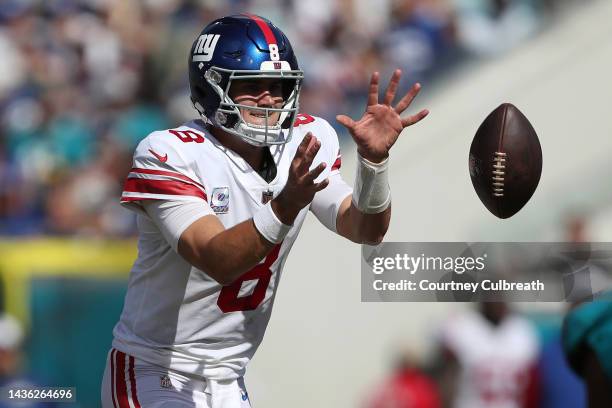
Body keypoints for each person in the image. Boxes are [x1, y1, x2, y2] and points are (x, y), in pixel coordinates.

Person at [101, 14, 428, 408]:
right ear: (211, 87)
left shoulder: (307, 139)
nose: (269, 99)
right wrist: (285, 205)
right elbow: (216, 259)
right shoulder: (171, 153)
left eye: (278, 86)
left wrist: (374, 165)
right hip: (156, 370)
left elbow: (364, 228)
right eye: (251, 87)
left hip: (230, 376)